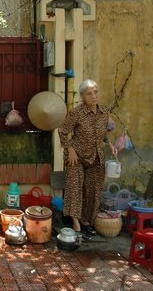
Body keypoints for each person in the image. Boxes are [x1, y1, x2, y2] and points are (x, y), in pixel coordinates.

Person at [58, 79, 117, 235]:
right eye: (89, 94)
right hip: (76, 156)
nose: (93, 96)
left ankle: (86, 220)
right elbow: (63, 131)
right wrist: (70, 149)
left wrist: (110, 144)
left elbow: (102, 134)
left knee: (93, 189)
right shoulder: (77, 113)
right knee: (75, 187)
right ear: (83, 96)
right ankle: (75, 221)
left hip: (96, 156)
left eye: (95, 92)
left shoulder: (104, 112)